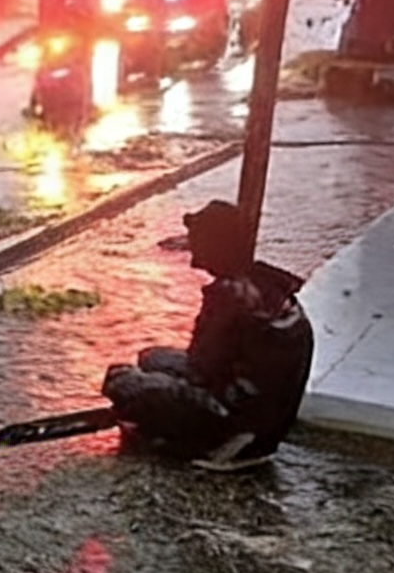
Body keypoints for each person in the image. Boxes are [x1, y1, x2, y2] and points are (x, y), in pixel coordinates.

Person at [100, 200, 314, 470]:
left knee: (121, 380)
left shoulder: (229, 297)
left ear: (215, 246)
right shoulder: (269, 287)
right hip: (263, 416)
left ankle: (196, 443)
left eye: (197, 241)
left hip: (233, 422)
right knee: (151, 358)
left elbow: (200, 370)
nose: (192, 249)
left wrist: (153, 388)